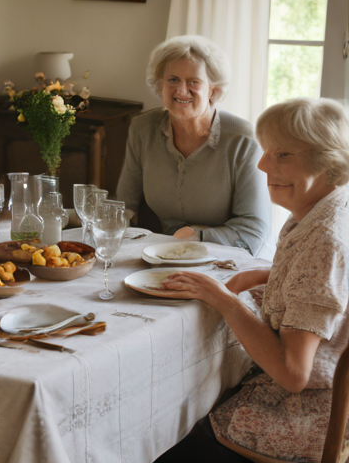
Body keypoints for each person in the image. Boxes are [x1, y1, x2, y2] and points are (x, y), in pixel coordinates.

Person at [155, 97, 349, 462]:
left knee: (163, 438)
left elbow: (294, 375)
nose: (262, 165)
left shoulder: (325, 240)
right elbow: (329, 284)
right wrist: (271, 273)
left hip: (302, 413)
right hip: (310, 394)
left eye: (282, 155)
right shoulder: (323, 208)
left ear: (328, 161)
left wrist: (223, 299)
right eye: (266, 152)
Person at [116, 35, 273, 258]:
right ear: (160, 84)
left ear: (212, 90)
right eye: (172, 80)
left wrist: (195, 235)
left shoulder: (243, 139)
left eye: (193, 82)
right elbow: (123, 208)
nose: (181, 90)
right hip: (169, 255)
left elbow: (253, 231)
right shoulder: (142, 129)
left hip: (235, 260)